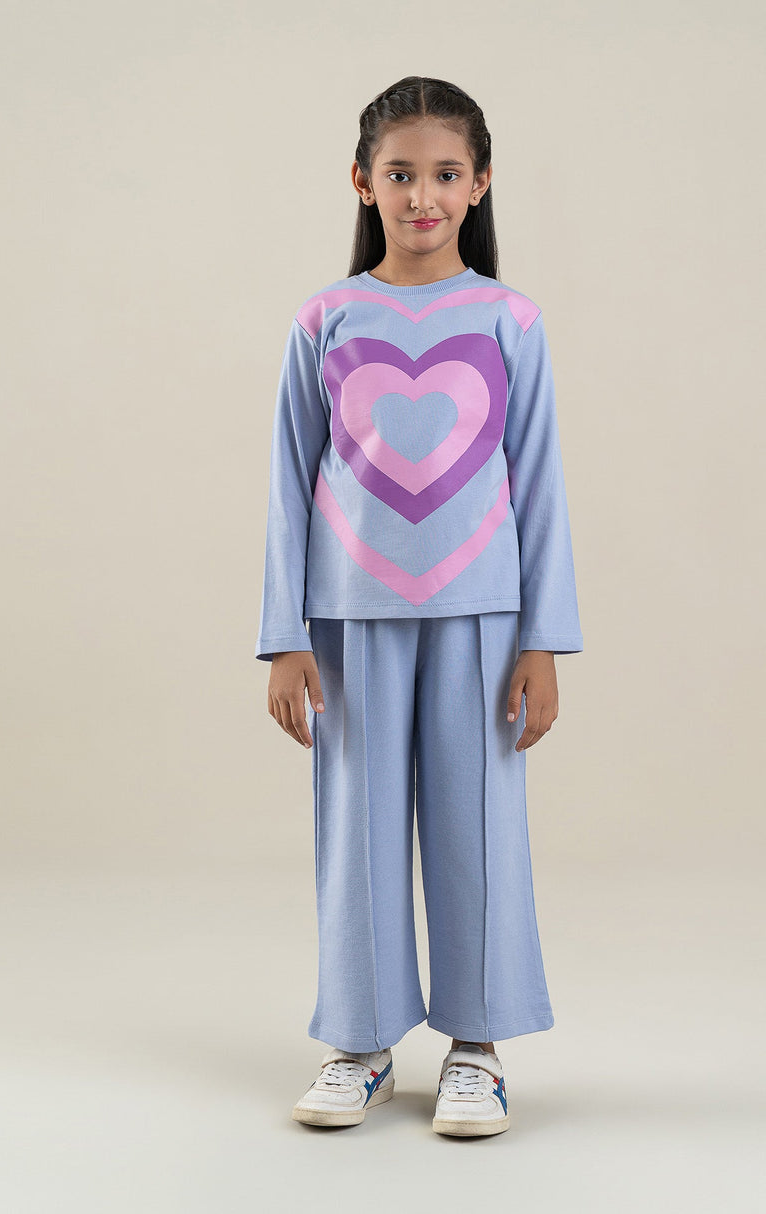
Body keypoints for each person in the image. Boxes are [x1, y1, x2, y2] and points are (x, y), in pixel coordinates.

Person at [254, 75, 584, 1137]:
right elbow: (287, 482)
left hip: (482, 618)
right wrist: (284, 637)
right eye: (400, 174)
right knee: (355, 830)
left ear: (479, 183)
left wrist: (543, 640)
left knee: (476, 826)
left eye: (446, 174)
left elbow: (538, 481)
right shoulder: (325, 318)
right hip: (349, 621)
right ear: (363, 181)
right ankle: (360, 1042)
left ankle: (476, 1048)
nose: (422, 196)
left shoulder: (510, 320)